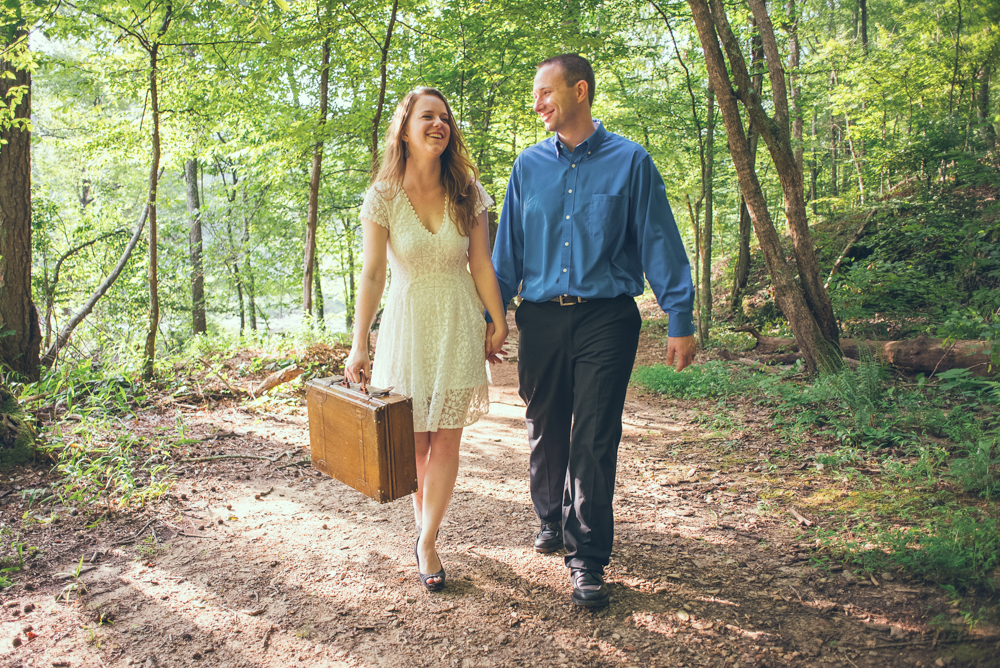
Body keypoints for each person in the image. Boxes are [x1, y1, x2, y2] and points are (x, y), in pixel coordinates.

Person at [490, 54, 697, 608]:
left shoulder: (631, 162)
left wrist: (680, 316)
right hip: (540, 317)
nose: (537, 105)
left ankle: (587, 558)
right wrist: (492, 316)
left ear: (580, 91)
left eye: (545, 93)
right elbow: (506, 252)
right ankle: (552, 519)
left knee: (595, 434)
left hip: (606, 316)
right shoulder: (527, 167)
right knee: (544, 422)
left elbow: (658, 240)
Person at [345, 87, 508, 592]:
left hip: (459, 320)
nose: (439, 124)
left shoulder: (468, 191)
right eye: (428, 116)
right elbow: (372, 275)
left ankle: (427, 540)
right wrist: (359, 343)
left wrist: (498, 319)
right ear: (406, 127)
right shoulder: (384, 195)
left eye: (445, 117)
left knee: (447, 437)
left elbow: (481, 262)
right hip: (407, 323)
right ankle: (426, 531)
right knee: (415, 444)